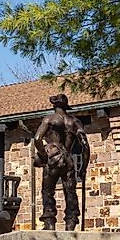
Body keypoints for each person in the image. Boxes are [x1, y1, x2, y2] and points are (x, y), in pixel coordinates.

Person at [32, 93, 90, 230]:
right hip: (68, 158)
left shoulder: (49, 120)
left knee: (47, 191)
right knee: (70, 191)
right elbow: (85, 146)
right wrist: (83, 166)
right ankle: (71, 222)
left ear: (54, 106)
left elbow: (37, 139)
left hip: (53, 157)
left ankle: (49, 221)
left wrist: (44, 154)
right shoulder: (74, 122)